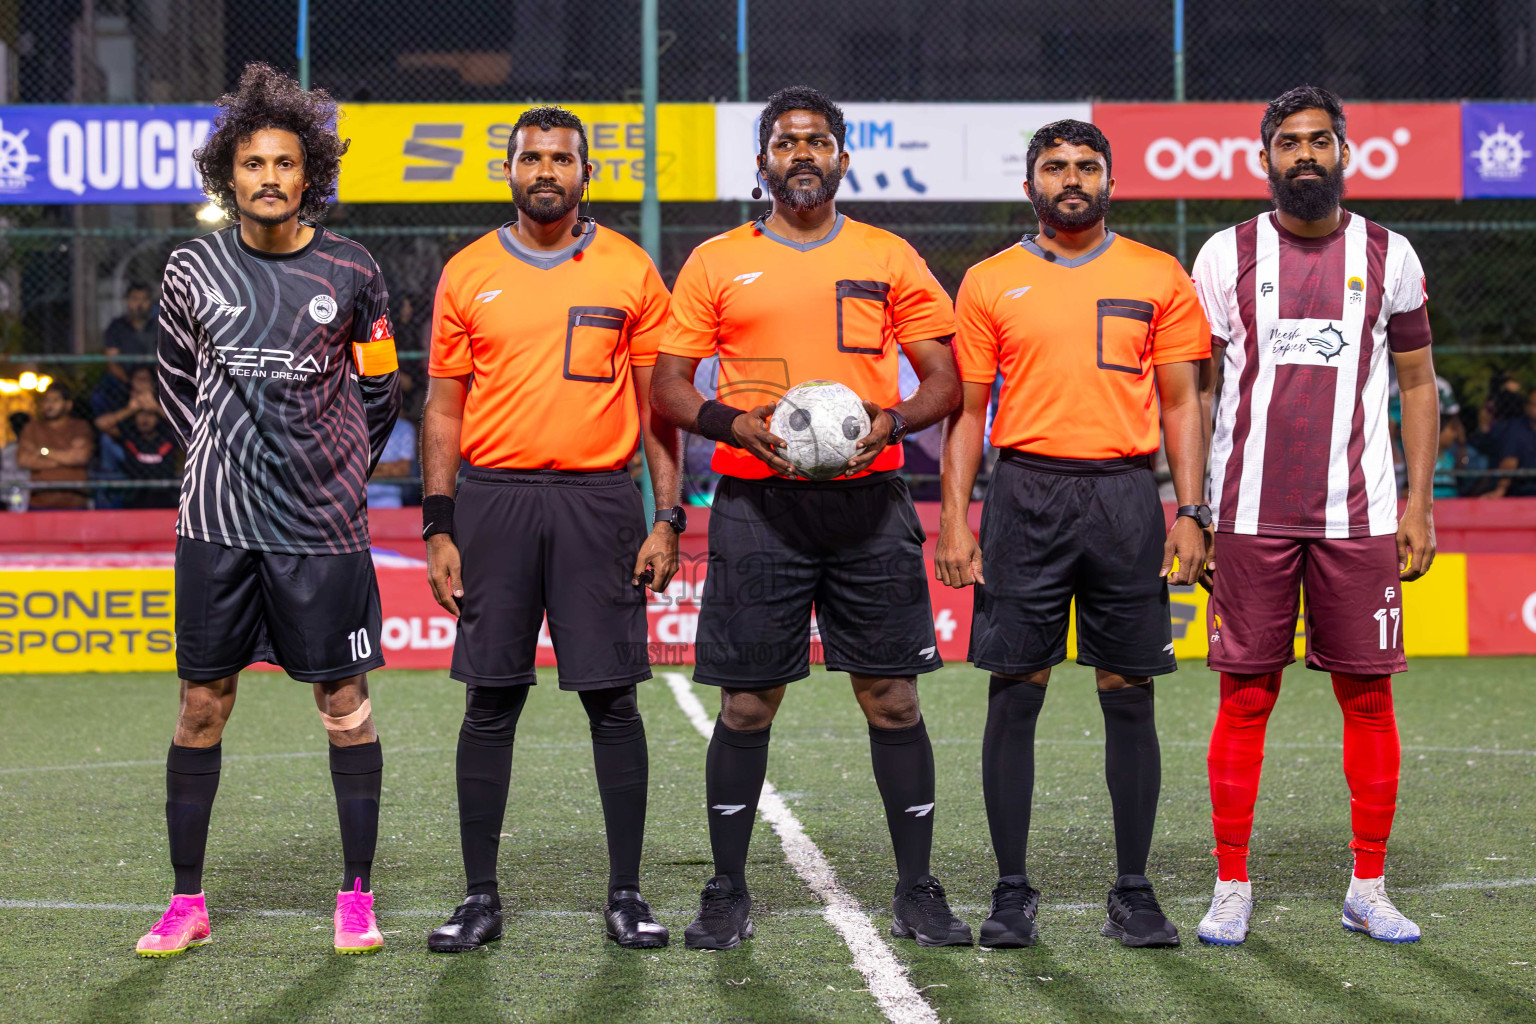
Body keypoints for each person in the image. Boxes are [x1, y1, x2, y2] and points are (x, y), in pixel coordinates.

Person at [651, 86, 969, 951]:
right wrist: (734, 424)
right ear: (762, 162)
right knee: (748, 706)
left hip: (871, 505)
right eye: (787, 142)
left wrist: (891, 422)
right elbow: (670, 386)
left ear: (842, 158)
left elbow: (945, 381)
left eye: (818, 142)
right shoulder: (717, 260)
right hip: (759, 502)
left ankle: (917, 889)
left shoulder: (889, 255)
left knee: (893, 699)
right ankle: (725, 890)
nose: (803, 153)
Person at [137, 63, 401, 958]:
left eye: (286, 164)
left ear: (309, 173)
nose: (269, 179)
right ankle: (186, 901)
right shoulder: (189, 269)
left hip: (321, 531)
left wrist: (333, 469)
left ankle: (357, 895)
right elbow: (174, 389)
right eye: (253, 164)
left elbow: (380, 393)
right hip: (215, 529)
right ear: (229, 174)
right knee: (201, 706)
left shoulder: (354, 272)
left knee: (344, 704)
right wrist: (221, 460)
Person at [937, 119, 1210, 950]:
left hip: (1127, 498)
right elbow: (966, 413)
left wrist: (1191, 510)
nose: (1071, 177)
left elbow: (1180, 403)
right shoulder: (989, 280)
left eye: (1087, 165)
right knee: (1015, 688)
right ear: (1031, 186)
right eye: (1054, 166)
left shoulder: (1158, 274)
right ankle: (1012, 891)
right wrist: (955, 518)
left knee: (1131, 690)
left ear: (1111, 182)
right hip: (1024, 495)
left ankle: (1132, 890)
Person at [420, 106, 681, 953]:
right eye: (530, 157)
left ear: (585, 174)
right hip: (493, 501)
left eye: (561, 158)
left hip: (599, 503)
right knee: (489, 701)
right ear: (508, 170)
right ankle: (479, 897)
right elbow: (442, 409)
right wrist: (438, 524)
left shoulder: (630, 268)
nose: (546, 170)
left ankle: (628, 895)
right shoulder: (466, 272)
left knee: (613, 699)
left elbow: (659, 414)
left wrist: (666, 518)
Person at [1190, 86, 1438, 946]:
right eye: (1289, 143)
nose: (1305, 155)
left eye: (1319, 141)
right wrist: (1194, 508)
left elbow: (1415, 383)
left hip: (1360, 515)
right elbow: (1197, 389)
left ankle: (1367, 885)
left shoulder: (1391, 253)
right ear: (1266, 158)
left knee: (1368, 698)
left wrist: (1418, 503)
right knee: (1244, 697)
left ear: (1345, 153)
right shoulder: (1224, 255)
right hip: (1250, 513)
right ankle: (1230, 884)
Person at [16, 385, 95, 510]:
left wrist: (43, 451)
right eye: (46, 400)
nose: (49, 405)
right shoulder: (32, 428)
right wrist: (65, 458)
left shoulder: (80, 427)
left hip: (74, 500)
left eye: (55, 400)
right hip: (40, 501)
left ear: (68, 405)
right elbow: (23, 460)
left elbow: (80, 457)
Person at [116, 403, 181, 509]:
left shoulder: (168, 435)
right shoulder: (130, 434)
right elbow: (103, 425)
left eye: (150, 414)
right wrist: (131, 409)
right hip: (135, 492)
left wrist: (156, 407)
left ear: (157, 418)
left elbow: (184, 425)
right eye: (140, 414)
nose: (145, 420)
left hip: (165, 492)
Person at [1481, 387, 1536, 499]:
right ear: (1527, 407)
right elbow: (1509, 462)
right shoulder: (1516, 430)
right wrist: (1501, 490)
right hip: (1522, 492)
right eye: (1534, 404)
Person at [103, 281, 157, 385]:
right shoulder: (116, 327)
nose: (140, 305)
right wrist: (129, 383)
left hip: (154, 379)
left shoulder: (159, 326)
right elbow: (112, 362)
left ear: (151, 302)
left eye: (144, 299)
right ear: (127, 301)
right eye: (135, 299)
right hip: (124, 380)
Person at [366, 417, 417, 509]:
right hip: (357, 504)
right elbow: (352, 469)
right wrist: (388, 467)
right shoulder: (355, 426)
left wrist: (367, 469)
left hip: (391, 503)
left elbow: (402, 470)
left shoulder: (404, 427)